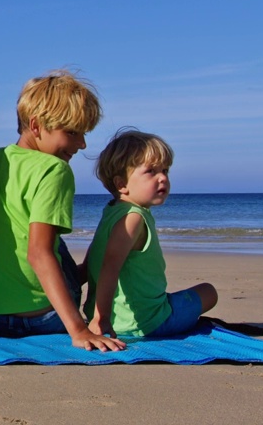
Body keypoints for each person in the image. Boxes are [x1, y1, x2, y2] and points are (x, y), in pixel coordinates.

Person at [0, 70, 124, 351]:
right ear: (36, 126)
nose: (81, 144)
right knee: (51, 244)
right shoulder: (54, 170)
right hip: (41, 319)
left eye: (83, 133)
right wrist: (78, 330)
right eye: (72, 132)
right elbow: (38, 253)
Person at [84, 128, 218, 338]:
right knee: (209, 291)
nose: (162, 178)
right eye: (151, 172)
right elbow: (109, 268)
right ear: (122, 184)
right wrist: (101, 319)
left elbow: (92, 261)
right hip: (147, 322)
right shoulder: (134, 218)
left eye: (165, 170)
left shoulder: (111, 212)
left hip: (111, 318)